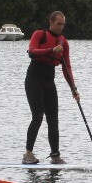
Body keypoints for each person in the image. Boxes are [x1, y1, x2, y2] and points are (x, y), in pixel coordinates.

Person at [23, 10, 80, 164]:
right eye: (58, 24)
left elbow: (67, 68)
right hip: (33, 80)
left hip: (49, 82)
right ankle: (28, 154)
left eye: (63, 25)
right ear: (51, 22)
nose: (61, 27)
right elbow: (32, 52)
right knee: (38, 116)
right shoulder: (39, 34)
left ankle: (55, 155)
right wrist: (51, 50)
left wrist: (73, 89)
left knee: (53, 119)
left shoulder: (64, 42)